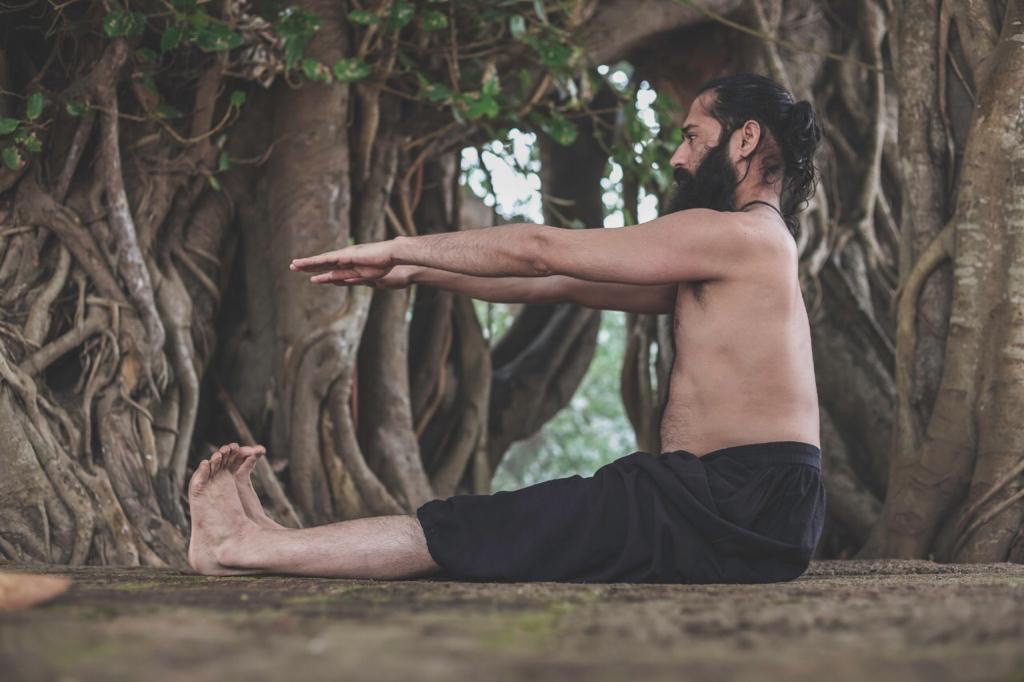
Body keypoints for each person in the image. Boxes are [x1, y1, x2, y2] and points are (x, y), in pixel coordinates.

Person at [187, 72, 827, 583]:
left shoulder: (739, 236)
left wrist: (401, 244)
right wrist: (413, 275)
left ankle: (246, 546)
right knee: (493, 530)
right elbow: (558, 281)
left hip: (736, 497)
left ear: (744, 139)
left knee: (472, 530)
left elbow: (539, 248)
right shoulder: (744, 251)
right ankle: (258, 543)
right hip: (740, 501)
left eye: (692, 136)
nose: (680, 157)